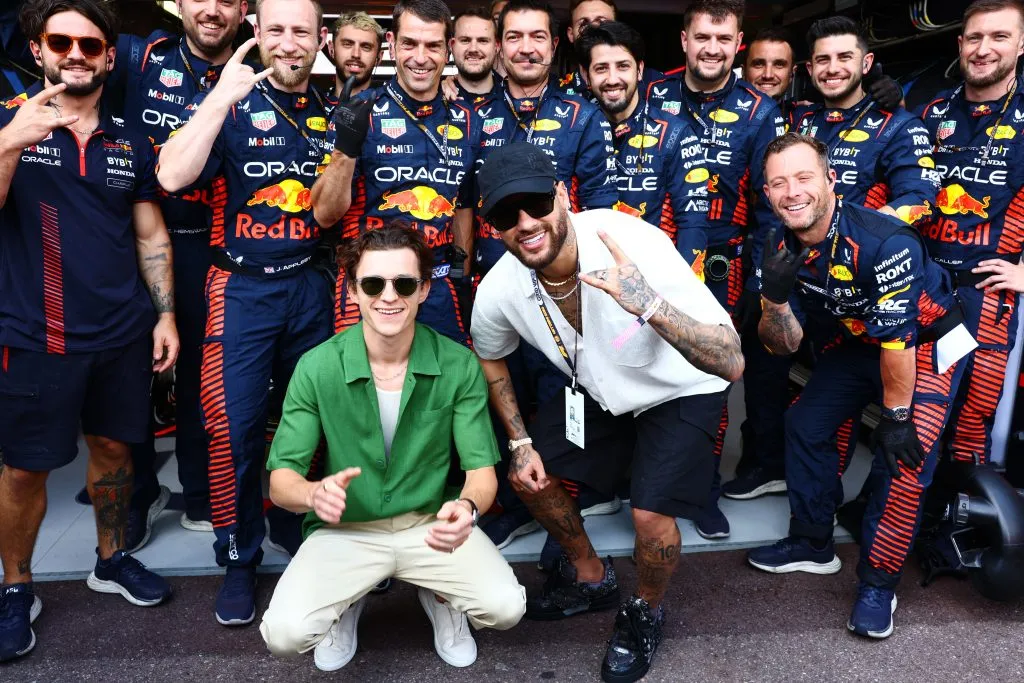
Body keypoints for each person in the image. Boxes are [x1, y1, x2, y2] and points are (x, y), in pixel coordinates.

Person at [472, 142, 742, 683]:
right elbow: (491, 356)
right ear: (493, 227)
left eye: (536, 204)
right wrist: (521, 441)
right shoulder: (500, 287)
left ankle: (644, 609)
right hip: (603, 391)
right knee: (528, 476)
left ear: (564, 196)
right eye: (506, 214)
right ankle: (592, 578)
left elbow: (730, 361)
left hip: (681, 385)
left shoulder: (632, 241)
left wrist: (651, 305)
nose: (526, 223)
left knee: (649, 513)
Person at [259, 224, 526, 671]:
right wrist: (312, 494)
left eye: (404, 283)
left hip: (430, 526)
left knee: (505, 607)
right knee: (284, 635)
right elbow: (282, 478)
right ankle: (345, 600)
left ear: (423, 290)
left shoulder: (458, 364)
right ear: (351, 291)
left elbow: (481, 473)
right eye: (373, 283)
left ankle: (442, 596)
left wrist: (467, 509)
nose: (389, 296)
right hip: (346, 530)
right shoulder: (317, 366)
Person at [0, 0, 178, 662]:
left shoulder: (129, 140)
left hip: (121, 332)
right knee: (25, 470)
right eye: (61, 41)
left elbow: (149, 232)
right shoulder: (9, 126)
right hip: (35, 333)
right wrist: (12, 139)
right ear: (39, 50)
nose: (75, 53)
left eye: (90, 44)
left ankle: (111, 557)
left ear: (109, 57)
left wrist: (163, 314)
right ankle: (17, 585)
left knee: (114, 450)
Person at [745, 133, 973, 639]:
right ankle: (811, 541)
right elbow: (782, 346)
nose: (792, 192)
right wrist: (775, 301)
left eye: (804, 178)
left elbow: (899, 343)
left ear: (831, 181)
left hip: (928, 346)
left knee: (905, 459)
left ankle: (878, 584)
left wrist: (894, 418)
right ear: (766, 193)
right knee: (804, 422)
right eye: (779, 183)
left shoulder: (882, 239)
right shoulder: (775, 243)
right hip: (860, 342)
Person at [157, 0, 335, 626]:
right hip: (240, 288)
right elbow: (173, 176)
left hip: (312, 285)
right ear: (256, 33)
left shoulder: (332, 109)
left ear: (319, 40)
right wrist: (218, 99)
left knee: (312, 425)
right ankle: (238, 555)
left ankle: (298, 526)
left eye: (302, 32)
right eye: (277, 29)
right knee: (232, 429)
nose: (289, 43)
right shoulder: (226, 100)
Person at [727, 17, 941, 502]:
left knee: (851, 421)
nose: (832, 68)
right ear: (810, 68)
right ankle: (776, 473)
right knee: (771, 369)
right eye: (822, 59)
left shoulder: (899, 124)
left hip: (870, 291)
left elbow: (919, 199)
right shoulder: (798, 119)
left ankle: (847, 512)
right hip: (802, 284)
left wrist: (849, 234)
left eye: (845, 58)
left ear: (867, 63)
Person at [472, 0, 620, 556]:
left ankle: (567, 509)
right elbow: (464, 201)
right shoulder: (471, 114)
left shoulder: (584, 117)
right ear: (499, 45)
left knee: (565, 399)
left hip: (563, 288)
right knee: (501, 394)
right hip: (497, 289)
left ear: (555, 45)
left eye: (538, 36)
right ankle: (515, 504)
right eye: (515, 36)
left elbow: (599, 208)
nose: (527, 46)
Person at [645, 0, 787, 540]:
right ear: (684, 40)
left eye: (723, 39)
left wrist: (758, 281)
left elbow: (767, 207)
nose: (712, 48)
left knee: (712, 374)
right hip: (653, 254)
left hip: (723, 263)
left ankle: (702, 490)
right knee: (647, 367)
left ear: (738, 44)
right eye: (702, 36)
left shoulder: (760, 110)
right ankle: (650, 484)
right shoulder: (652, 91)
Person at [112, 0, 251, 549]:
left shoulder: (254, 66)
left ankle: (197, 491)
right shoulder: (138, 57)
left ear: (243, 10)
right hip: (128, 241)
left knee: (200, 375)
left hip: (207, 247)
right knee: (132, 375)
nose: (212, 10)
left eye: (227, 0)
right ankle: (140, 494)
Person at [313, 0, 477, 348]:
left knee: (442, 394)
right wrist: (346, 148)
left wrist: (462, 271)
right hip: (371, 289)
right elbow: (325, 215)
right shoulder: (360, 112)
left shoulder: (465, 116)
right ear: (391, 44)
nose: (421, 57)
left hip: (439, 287)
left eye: (433, 45)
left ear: (448, 50)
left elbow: (463, 202)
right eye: (409, 44)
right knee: (364, 396)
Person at [919, 0, 1024, 466]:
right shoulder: (931, 112)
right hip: (924, 289)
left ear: (1021, 44)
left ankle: (950, 529)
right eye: (975, 38)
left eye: (999, 37)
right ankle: (900, 520)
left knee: (972, 418)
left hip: (987, 296)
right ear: (960, 45)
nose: (984, 49)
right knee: (913, 415)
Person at [577, 21, 708, 260]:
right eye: (601, 68)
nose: (612, 78)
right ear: (586, 75)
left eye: (623, 66)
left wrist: (682, 292)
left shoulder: (675, 134)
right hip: (588, 274)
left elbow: (693, 225)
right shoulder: (574, 128)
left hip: (653, 277)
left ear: (639, 71)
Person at [557, 0, 663, 102]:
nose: (593, 30)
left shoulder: (657, 83)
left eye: (602, 22)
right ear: (570, 34)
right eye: (584, 24)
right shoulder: (556, 91)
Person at [327, 11, 382, 101]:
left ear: (379, 57)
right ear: (331, 49)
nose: (356, 54)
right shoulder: (316, 106)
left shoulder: (394, 110)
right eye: (347, 44)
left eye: (366, 47)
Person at [450, 7, 502, 103]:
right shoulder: (435, 99)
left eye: (483, 41)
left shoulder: (514, 97)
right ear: (452, 46)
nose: (473, 49)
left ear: (497, 46)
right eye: (465, 40)